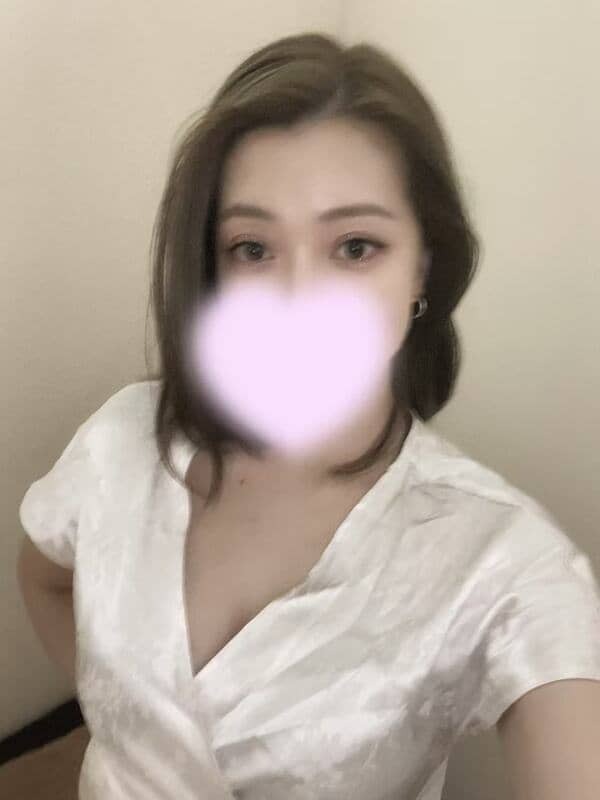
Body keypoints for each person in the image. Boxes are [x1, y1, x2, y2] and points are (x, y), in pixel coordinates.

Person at [17, 31, 600, 800]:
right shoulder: (122, 437)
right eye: (252, 248)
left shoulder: (504, 561)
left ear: (423, 268)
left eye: (355, 246)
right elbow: (45, 580)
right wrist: (127, 727)